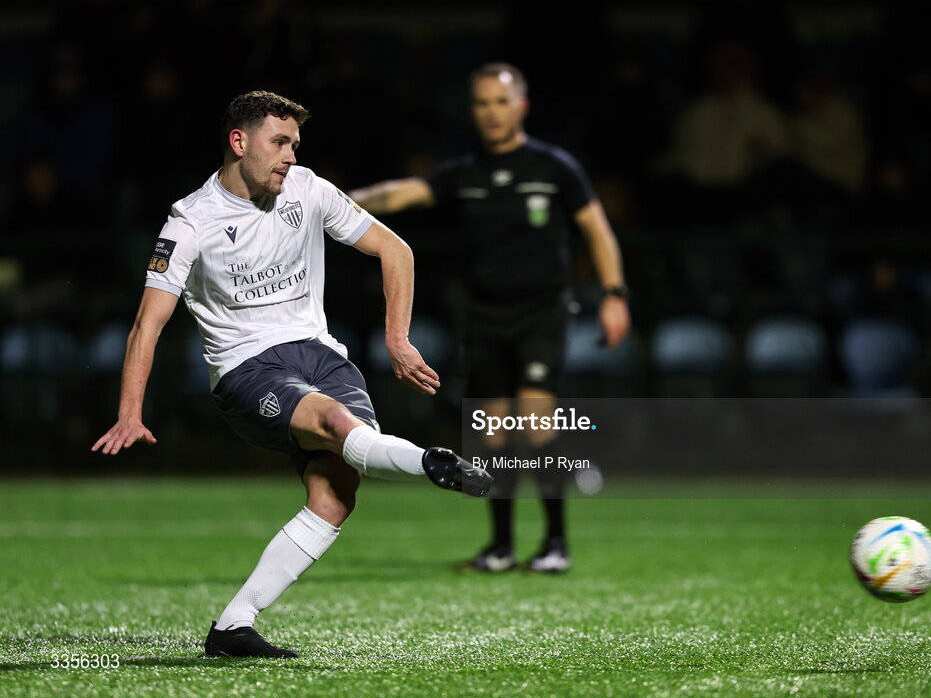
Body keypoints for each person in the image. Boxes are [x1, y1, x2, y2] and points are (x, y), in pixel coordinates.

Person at [91, 91, 491, 658]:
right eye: (279, 143)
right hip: (246, 370)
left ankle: (233, 626)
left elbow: (394, 249)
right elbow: (146, 324)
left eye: (295, 145)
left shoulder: (309, 191)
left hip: (322, 355)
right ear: (239, 142)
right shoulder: (190, 222)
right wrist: (130, 411)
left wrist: (397, 338)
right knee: (335, 423)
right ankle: (434, 463)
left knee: (336, 493)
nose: (290, 157)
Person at [351, 63, 630, 574]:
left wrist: (614, 294)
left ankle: (555, 543)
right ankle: (501, 547)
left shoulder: (554, 167)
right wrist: (332, 202)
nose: (491, 112)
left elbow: (598, 230)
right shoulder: (464, 173)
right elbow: (401, 193)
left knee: (538, 424)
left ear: (521, 106)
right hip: (483, 317)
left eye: (501, 102)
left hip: (542, 314)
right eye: (481, 103)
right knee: (494, 432)